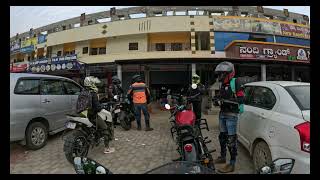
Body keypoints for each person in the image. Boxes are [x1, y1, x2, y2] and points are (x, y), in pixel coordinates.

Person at [213, 61, 244, 173]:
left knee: (231, 140)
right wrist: (216, 100)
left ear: (229, 73)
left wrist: (226, 100)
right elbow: (220, 96)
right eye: (220, 74)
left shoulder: (236, 82)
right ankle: (222, 157)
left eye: (223, 74)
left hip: (231, 115)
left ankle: (232, 164)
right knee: (222, 137)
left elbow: (241, 99)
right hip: (222, 114)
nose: (220, 76)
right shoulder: (223, 84)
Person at [81, 76, 115, 154]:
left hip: (83, 114)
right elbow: (97, 107)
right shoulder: (93, 93)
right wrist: (101, 106)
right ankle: (107, 148)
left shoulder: (82, 92)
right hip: (91, 115)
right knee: (105, 129)